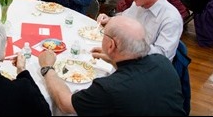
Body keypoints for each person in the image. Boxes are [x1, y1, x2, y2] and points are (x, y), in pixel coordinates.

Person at [38, 15, 185, 115]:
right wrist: (114, 59)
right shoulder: (162, 62)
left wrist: (47, 67)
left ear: (111, 45)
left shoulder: (108, 88)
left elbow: (65, 104)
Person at [98, 0, 183, 60]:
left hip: (147, 66)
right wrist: (110, 20)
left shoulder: (171, 19)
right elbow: (124, 18)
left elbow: (162, 55)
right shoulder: (138, 4)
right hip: (126, 55)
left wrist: (129, 47)